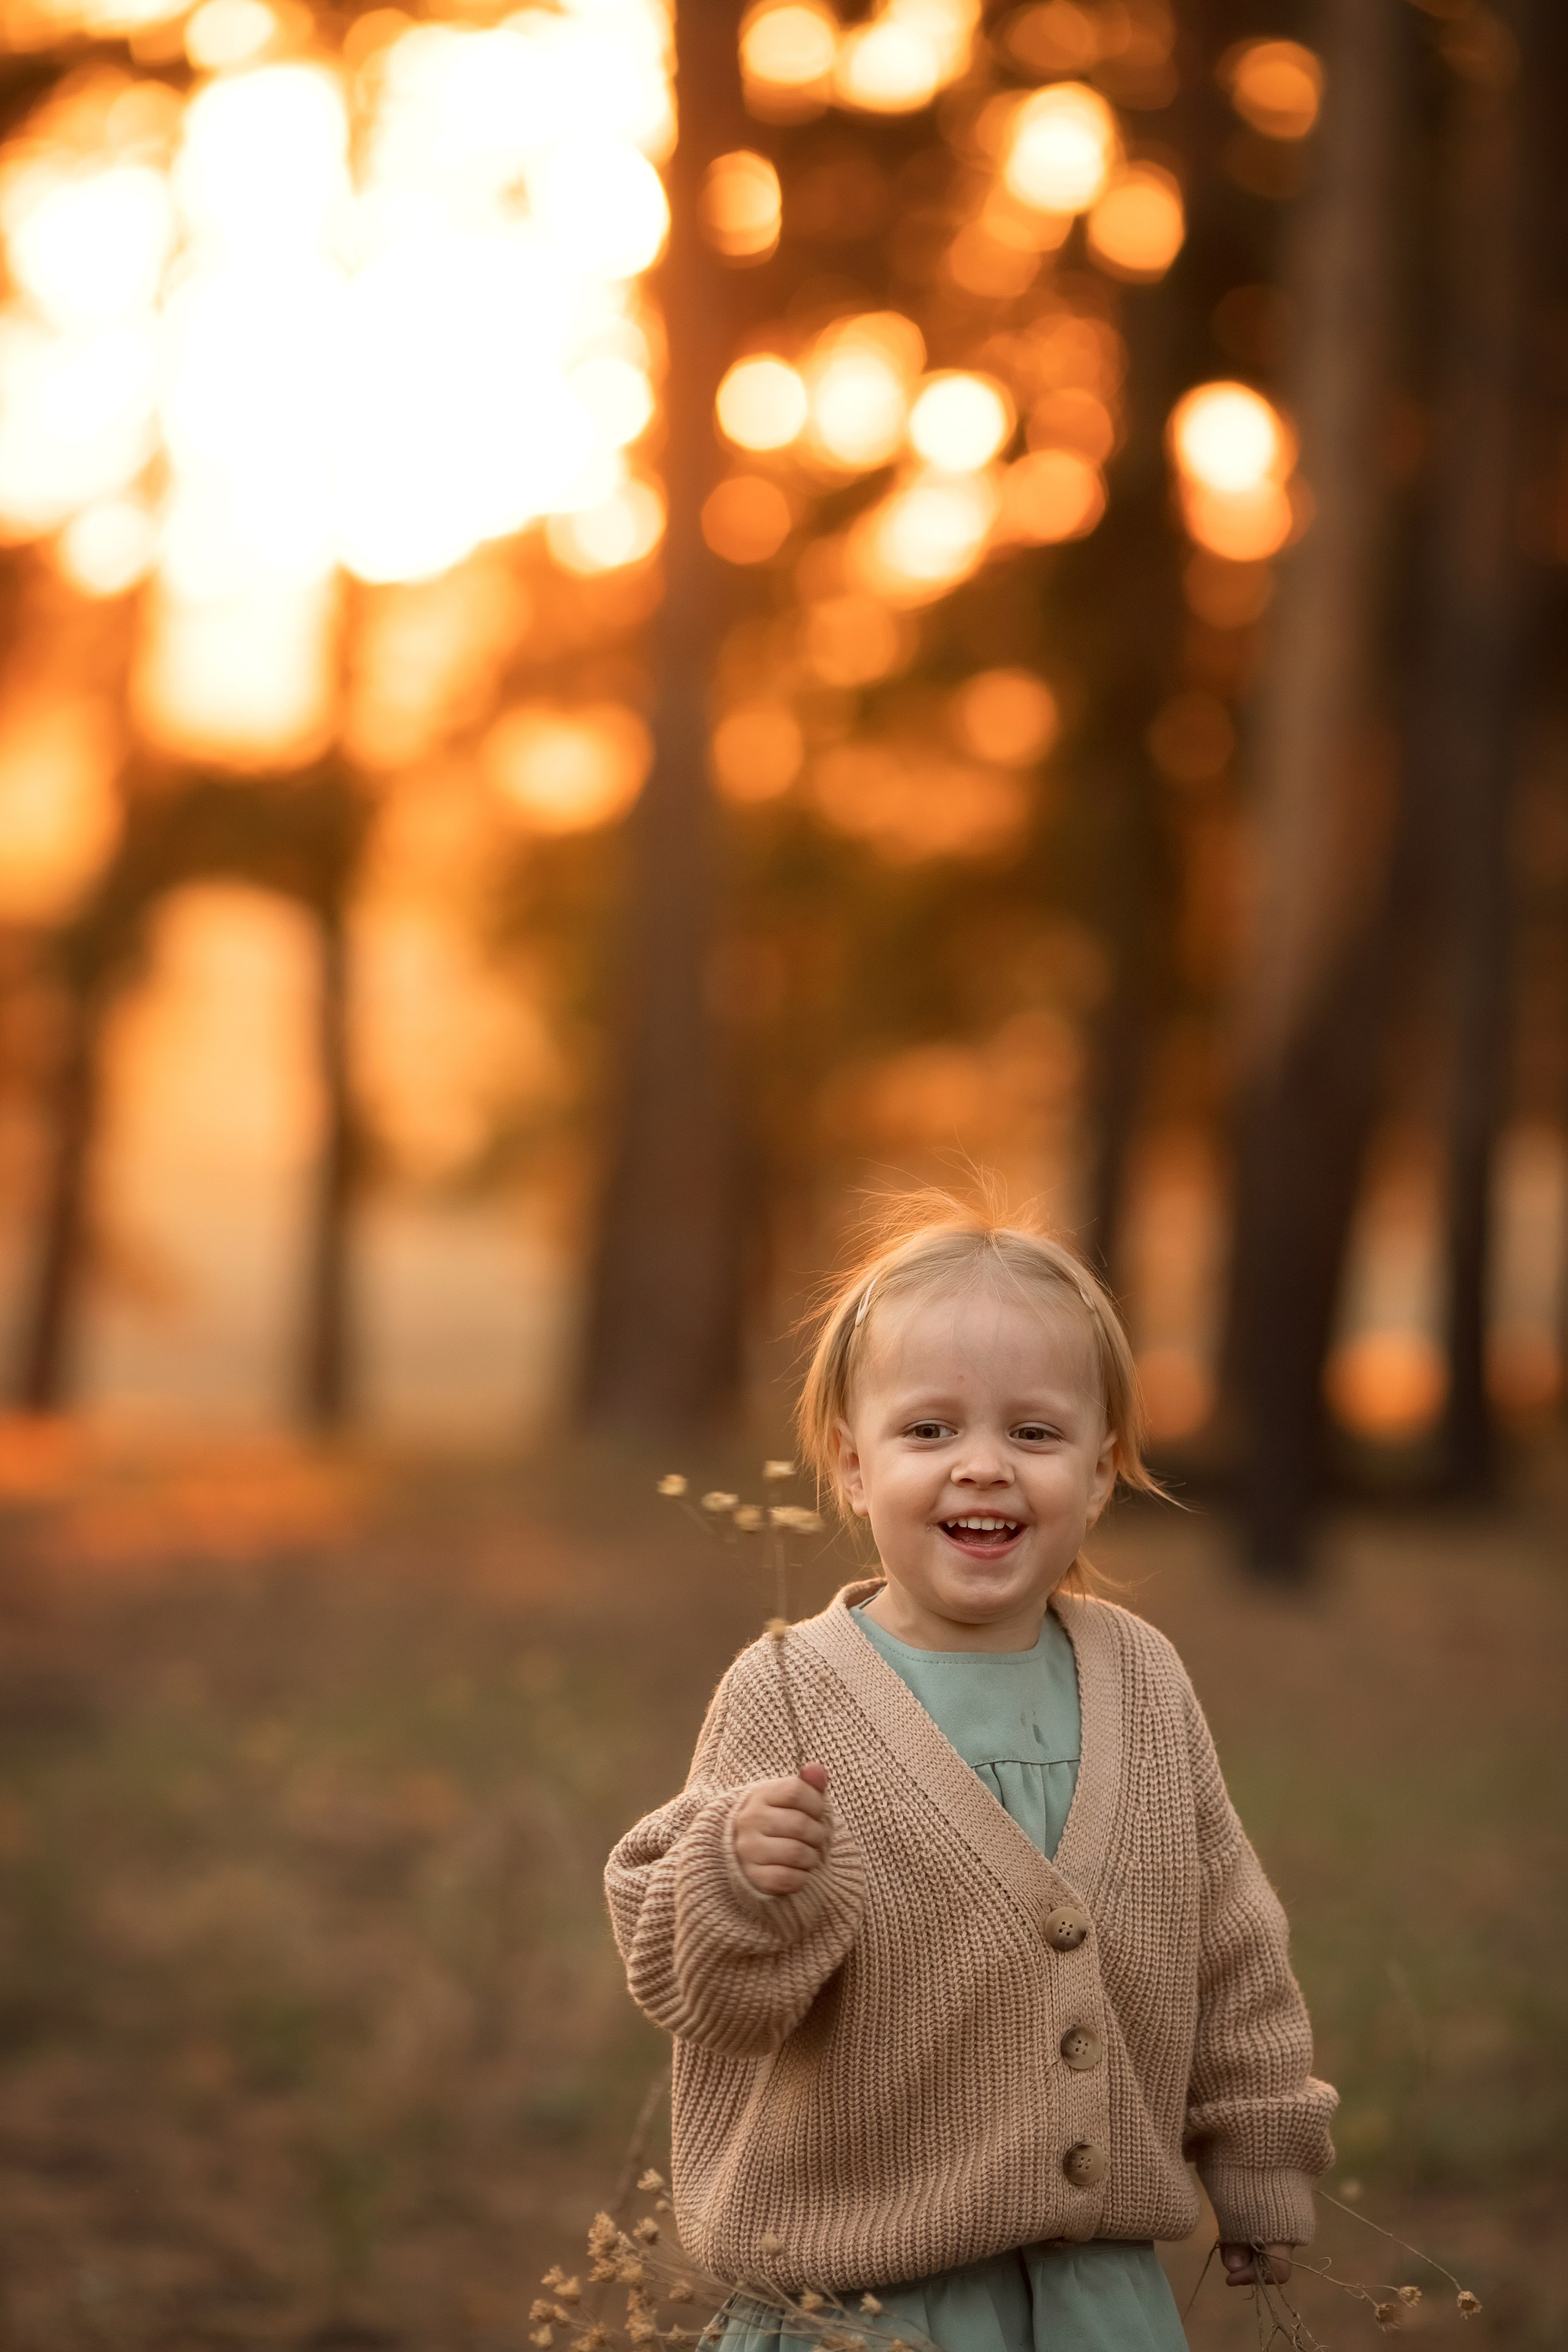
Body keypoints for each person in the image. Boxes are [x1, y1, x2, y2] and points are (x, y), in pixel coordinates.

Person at [605, 1205, 1336, 2352]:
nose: (982, 1465)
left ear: (1099, 1477)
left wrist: (1258, 2151)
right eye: (931, 1427)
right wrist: (740, 1881)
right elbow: (710, 2005)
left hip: (1099, 2306)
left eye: (1036, 1434)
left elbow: (1229, 1942)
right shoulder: (790, 1693)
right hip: (862, 2307)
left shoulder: (1141, 1680)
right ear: (854, 1464)